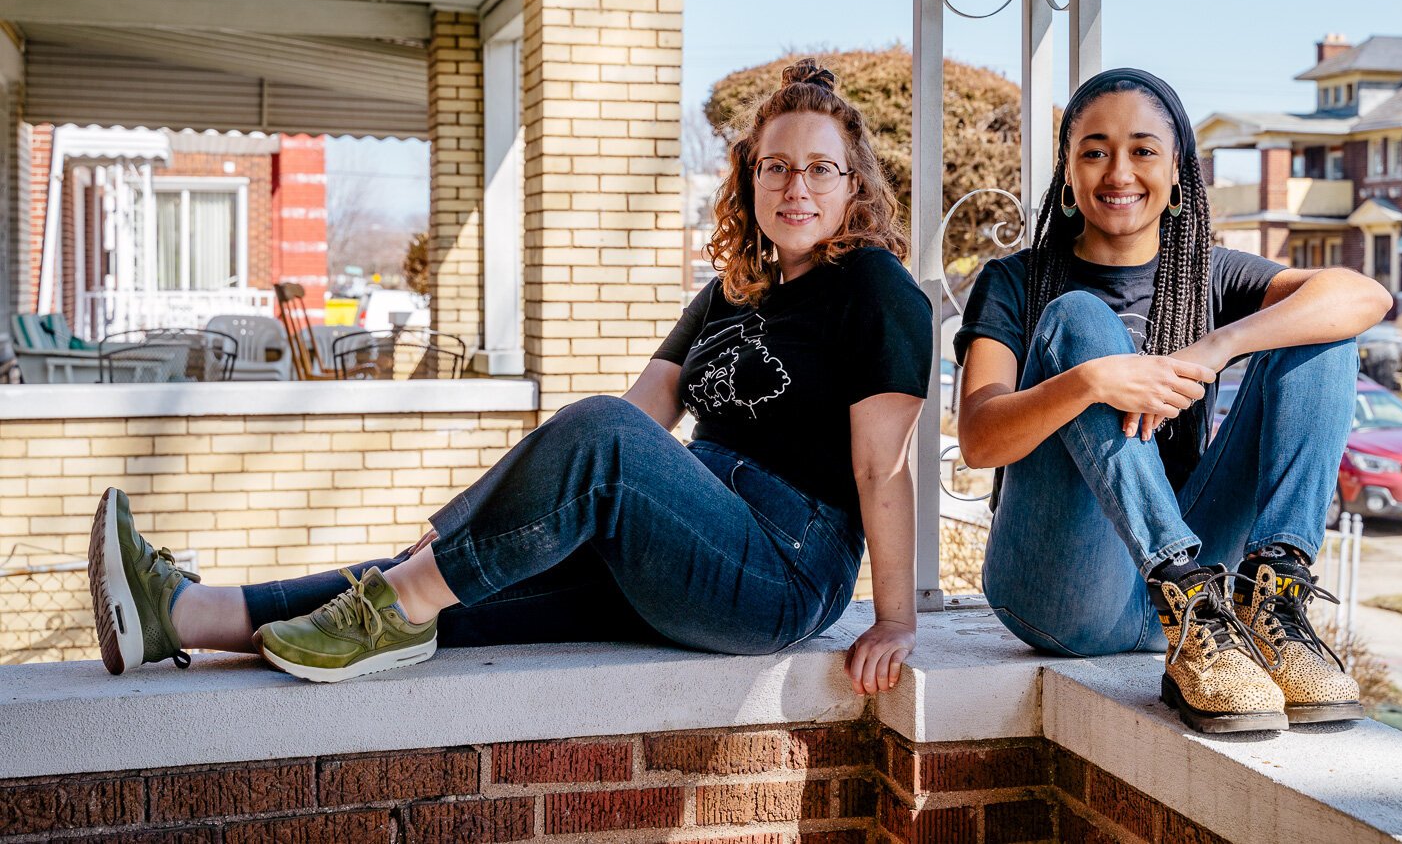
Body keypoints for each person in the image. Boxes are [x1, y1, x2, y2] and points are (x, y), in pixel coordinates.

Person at [91, 59, 933, 694]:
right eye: (775, 166)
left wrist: (895, 618)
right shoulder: (728, 292)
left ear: (853, 184)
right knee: (458, 588)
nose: (796, 185)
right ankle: (187, 612)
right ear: (751, 178)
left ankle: (395, 600)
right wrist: (464, 525)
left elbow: (878, 468)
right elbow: (645, 417)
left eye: (820, 167)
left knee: (454, 558)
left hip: (779, 569)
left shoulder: (876, 289)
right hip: (677, 536)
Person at [955, 68, 1391, 734]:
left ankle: (1273, 598)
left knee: (1319, 328)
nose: (1118, 171)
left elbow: (1365, 295)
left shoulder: (1213, 275)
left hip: (1202, 597)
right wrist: (1089, 383)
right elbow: (981, 439)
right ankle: (1179, 585)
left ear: (1180, 169)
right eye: (1094, 151)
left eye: (1143, 150)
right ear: (1068, 174)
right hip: (1061, 587)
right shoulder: (1016, 281)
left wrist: (1216, 346)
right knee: (1078, 318)